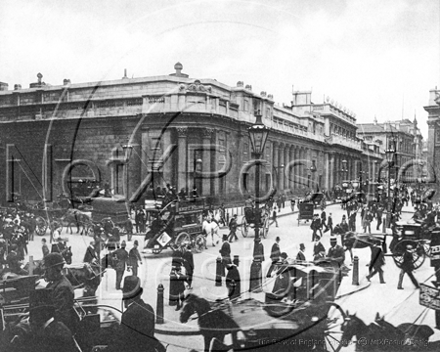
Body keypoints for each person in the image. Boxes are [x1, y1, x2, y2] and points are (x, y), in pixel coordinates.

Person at [108, 276, 163, 352]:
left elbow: (121, 343)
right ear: (140, 293)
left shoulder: (128, 314)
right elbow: (147, 336)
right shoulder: (149, 308)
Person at [43, 253, 76, 333]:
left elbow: (61, 315)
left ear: (56, 269)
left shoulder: (62, 287)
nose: (45, 272)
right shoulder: (55, 283)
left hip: (58, 328)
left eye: (47, 269)